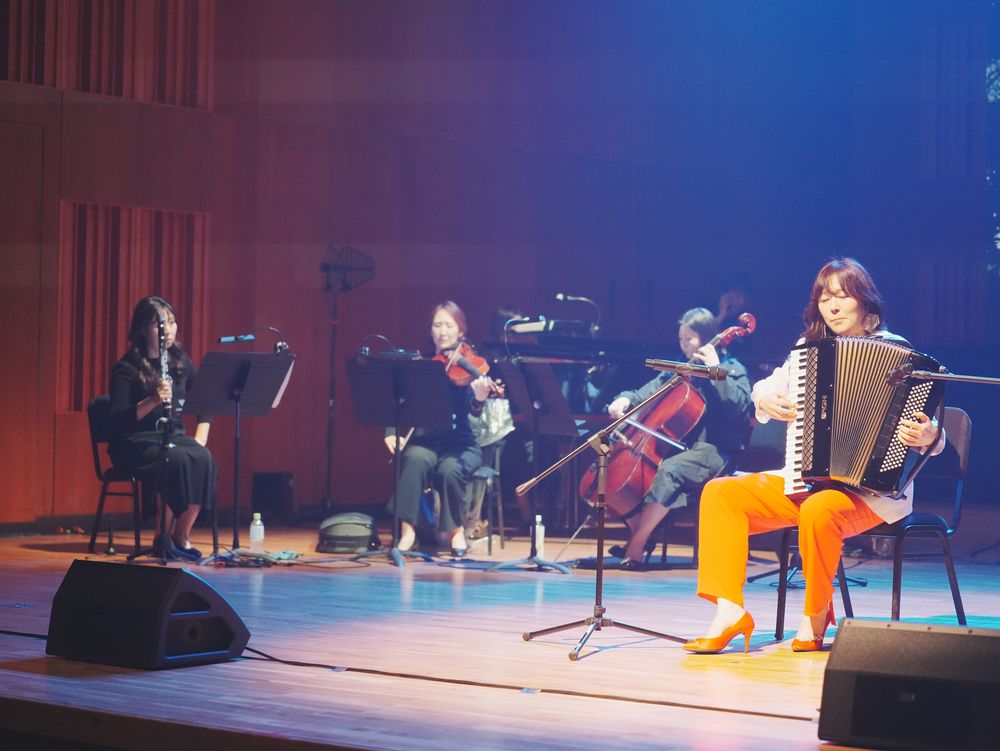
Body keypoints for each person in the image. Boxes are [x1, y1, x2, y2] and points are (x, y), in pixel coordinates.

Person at [683, 258, 944, 654]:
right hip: (805, 481)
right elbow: (763, 388)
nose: (832, 307)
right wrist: (766, 398)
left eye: (841, 297)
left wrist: (929, 435)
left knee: (819, 509)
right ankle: (729, 611)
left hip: (872, 494)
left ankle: (816, 614)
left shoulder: (899, 353)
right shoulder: (807, 351)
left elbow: (934, 435)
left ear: (865, 302)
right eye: (824, 298)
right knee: (721, 494)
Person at [602, 307, 754, 568]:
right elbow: (646, 393)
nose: (683, 345)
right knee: (621, 469)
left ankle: (637, 543)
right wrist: (625, 399)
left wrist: (715, 370)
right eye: (681, 338)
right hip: (680, 448)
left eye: (689, 339)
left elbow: (739, 406)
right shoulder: (682, 369)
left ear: (706, 337)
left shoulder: (732, 368)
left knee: (669, 470)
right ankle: (640, 529)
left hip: (715, 450)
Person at [109, 296, 217, 560]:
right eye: (159, 324)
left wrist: (201, 436)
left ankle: (181, 534)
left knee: (203, 457)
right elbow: (119, 420)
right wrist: (153, 400)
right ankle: (162, 535)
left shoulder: (179, 361)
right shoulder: (127, 368)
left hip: (174, 438)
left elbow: (206, 399)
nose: (168, 330)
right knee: (175, 459)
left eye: (171, 322)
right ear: (142, 329)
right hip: (135, 442)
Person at [385, 301, 492, 556]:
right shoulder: (421, 365)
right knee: (413, 460)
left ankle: (456, 532)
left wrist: (479, 399)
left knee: (449, 469)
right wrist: (391, 432)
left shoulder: (468, 367)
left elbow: (473, 411)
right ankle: (407, 532)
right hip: (426, 441)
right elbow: (396, 400)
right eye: (437, 325)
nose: (442, 331)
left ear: (461, 331)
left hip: (460, 445)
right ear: (430, 330)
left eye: (449, 325)